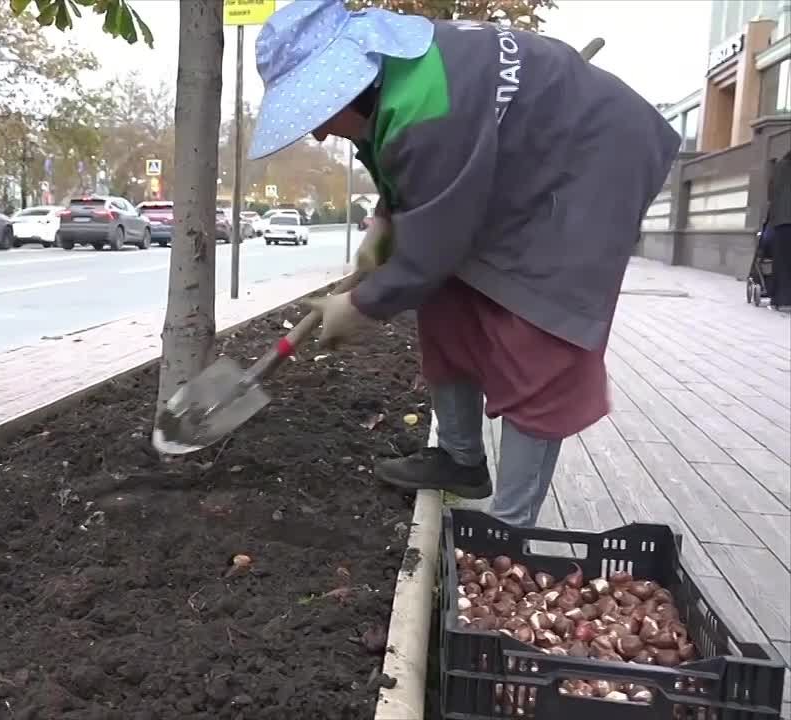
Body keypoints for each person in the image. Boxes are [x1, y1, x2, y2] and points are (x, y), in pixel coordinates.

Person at [247, 1, 680, 527]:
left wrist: (359, 305)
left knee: (540, 331)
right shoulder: (397, 77)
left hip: (591, 162)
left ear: (347, 83)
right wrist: (387, 222)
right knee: (448, 296)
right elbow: (418, 183)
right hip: (522, 157)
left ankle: (510, 526)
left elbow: (430, 249)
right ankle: (458, 459)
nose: (316, 134)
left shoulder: (427, 105)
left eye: (315, 113)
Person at [765, 151, 791, 310]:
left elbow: (771, 194)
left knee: (782, 262)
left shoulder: (779, 167)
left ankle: (782, 300)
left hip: (782, 222)